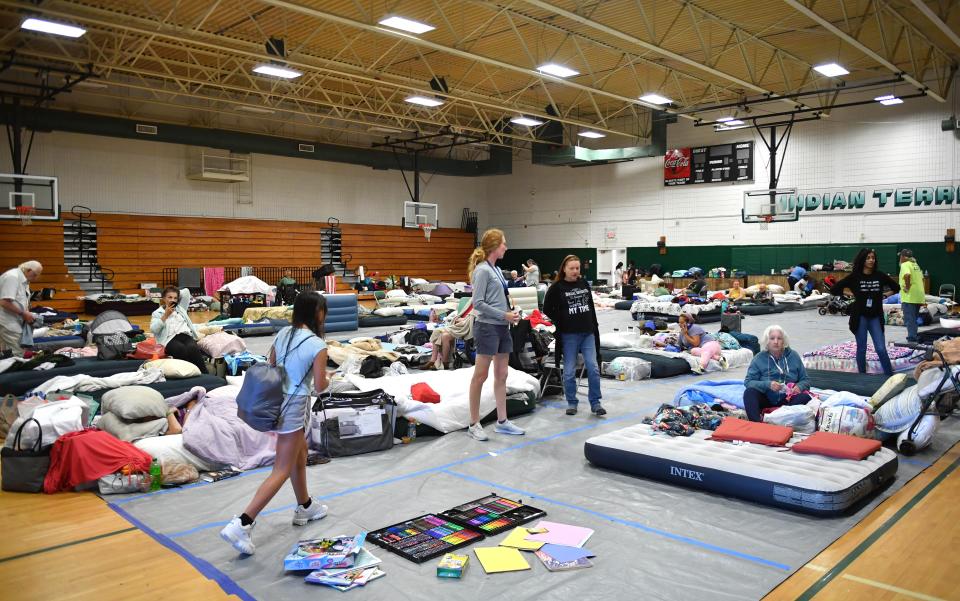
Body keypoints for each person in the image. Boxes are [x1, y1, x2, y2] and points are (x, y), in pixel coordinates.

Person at [220, 292, 330, 555]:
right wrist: (330, 378)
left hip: (276, 401)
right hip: (294, 405)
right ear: (317, 313)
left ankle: (305, 505)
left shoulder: (283, 334)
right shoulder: (317, 344)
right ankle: (243, 522)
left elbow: (271, 365)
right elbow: (319, 385)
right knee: (281, 468)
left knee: (299, 452)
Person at [465, 229, 525, 441]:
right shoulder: (482, 271)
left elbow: (502, 297)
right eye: (504, 244)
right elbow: (478, 303)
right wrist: (504, 315)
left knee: (502, 375)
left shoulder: (497, 270)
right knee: (480, 376)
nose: (506, 248)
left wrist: (512, 313)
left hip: (502, 327)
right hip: (487, 328)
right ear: (494, 246)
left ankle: (502, 421)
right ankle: (473, 423)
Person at [543, 255, 605, 417]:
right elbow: (547, 309)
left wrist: (594, 326)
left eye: (577, 268)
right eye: (572, 268)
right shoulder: (557, 287)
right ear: (564, 268)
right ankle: (571, 402)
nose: (575, 271)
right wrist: (561, 319)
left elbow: (590, 306)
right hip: (569, 335)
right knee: (569, 371)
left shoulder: (583, 283)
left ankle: (595, 402)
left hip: (587, 333)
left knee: (593, 368)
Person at [830, 248, 899, 376]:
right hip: (860, 316)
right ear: (862, 260)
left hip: (875, 316)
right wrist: (850, 293)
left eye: (873, 257)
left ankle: (889, 376)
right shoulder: (855, 277)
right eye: (868, 258)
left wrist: (884, 295)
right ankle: (862, 376)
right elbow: (834, 289)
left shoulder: (880, 275)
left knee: (881, 349)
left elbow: (896, 287)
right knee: (861, 348)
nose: (871, 260)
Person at [743, 325, 811, 422]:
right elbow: (748, 382)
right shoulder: (759, 358)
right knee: (749, 393)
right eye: (772, 338)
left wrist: (799, 387)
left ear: (784, 341)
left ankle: (777, 418)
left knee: (805, 397)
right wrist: (768, 384)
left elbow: (806, 380)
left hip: (788, 400)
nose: (776, 342)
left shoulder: (793, 356)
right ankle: (757, 424)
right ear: (767, 341)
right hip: (766, 398)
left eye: (779, 338)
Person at [150, 286, 207, 375]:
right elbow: (154, 329)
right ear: (164, 298)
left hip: (185, 335)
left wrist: (173, 291)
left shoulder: (181, 308)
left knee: (193, 348)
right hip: (169, 339)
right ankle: (189, 374)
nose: (172, 300)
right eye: (169, 297)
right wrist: (165, 315)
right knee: (180, 349)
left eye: (175, 298)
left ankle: (205, 374)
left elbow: (186, 292)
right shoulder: (157, 313)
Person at [0, 260, 42, 358]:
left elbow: (20, 301)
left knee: (5, 352)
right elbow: (4, 302)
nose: (35, 278)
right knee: (18, 352)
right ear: (28, 270)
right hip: (7, 321)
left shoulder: (23, 279)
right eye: (35, 274)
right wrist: (24, 313)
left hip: (11, 319)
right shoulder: (12, 277)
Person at [658, 313, 725, 374]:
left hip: (711, 344)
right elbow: (679, 346)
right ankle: (719, 358)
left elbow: (696, 343)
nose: (679, 324)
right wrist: (664, 345)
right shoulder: (682, 333)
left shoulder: (695, 328)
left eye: (681, 322)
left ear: (688, 323)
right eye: (679, 322)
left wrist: (686, 334)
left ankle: (701, 367)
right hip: (702, 349)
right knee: (693, 351)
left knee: (706, 351)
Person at [898, 249, 925, 344]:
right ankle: (914, 335)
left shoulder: (905, 264)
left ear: (904, 257)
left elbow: (907, 275)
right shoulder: (915, 265)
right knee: (913, 318)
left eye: (900, 256)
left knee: (909, 319)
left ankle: (912, 338)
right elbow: (922, 278)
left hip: (910, 296)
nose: (900, 258)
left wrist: (907, 287)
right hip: (918, 295)